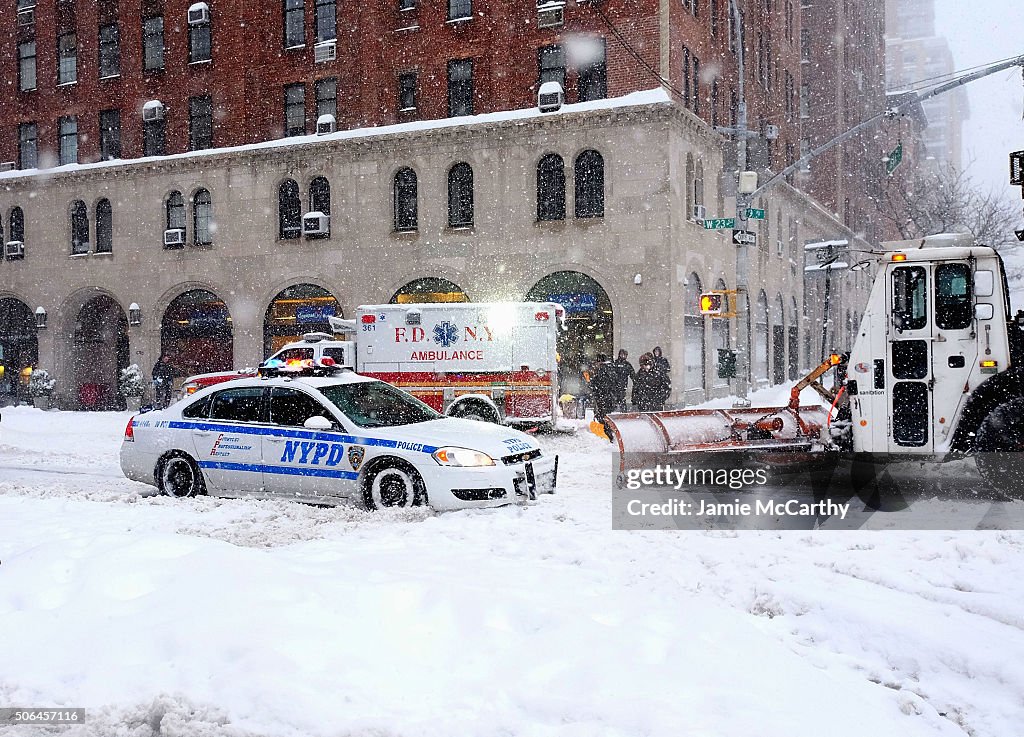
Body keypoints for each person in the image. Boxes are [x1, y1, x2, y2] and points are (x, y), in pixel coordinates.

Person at [587, 353, 618, 438]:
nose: (595, 364)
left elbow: (600, 385)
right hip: (610, 398)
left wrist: (592, 384)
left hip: (604, 398)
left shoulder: (602, 370)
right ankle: (609, 433)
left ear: (600, 361)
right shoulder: (611, 369)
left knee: (603, 417)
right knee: (605, 416)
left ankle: (608, 435)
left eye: (597, 362)